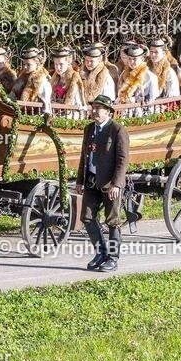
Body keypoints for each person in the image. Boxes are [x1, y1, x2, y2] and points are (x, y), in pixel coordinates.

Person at [75, 95, 129, 272]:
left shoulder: (117, 130)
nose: (95, 111)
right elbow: (84, 156)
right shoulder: (89, 128)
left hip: (110, 183)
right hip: (92, 180)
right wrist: (80, 180)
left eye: (99, 108)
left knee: (112, 221)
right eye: (94, 107)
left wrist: (116, 184)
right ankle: (101, 253)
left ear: (108, 112)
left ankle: (113, 258)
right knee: (87, 217)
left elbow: (122, 160)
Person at [9, 48, 52, 113]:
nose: (25, 67)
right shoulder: (21, 79)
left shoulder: (42, 81)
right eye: (24, 64)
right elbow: (12, 95)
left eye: (28, 65)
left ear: (37, 64)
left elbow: (46, 104)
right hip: (20, 112)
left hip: (36, 114)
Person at [117, 43, 159, 108]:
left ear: (142, 59)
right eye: (129, 59)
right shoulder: (124, 74)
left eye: (134, 59)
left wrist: (136, 100)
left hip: (142, 110)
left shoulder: (150, 77)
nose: (131, 62)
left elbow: (153, 100)